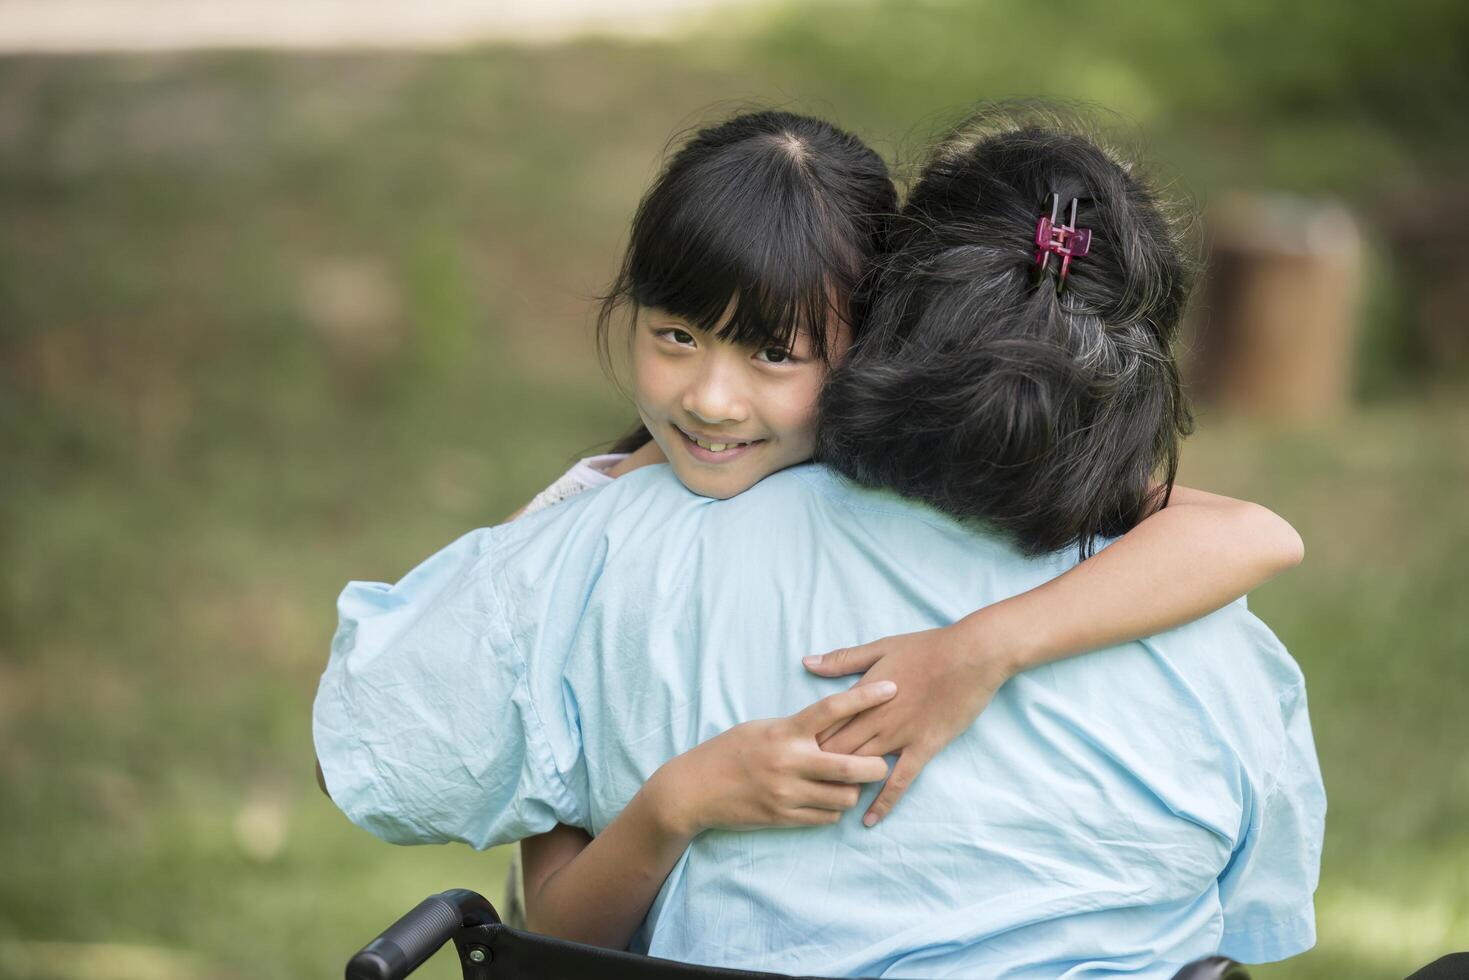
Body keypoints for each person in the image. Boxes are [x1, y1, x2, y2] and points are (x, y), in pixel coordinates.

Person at [314, 109, 1323, 976]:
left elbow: (393, 757)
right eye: (676, 337)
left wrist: (980, 646)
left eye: (772, 352)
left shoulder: (596, 558)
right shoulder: (1182, 613)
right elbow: (1239, 917)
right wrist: (678, 799)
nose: (713, 398)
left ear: (875, 333)